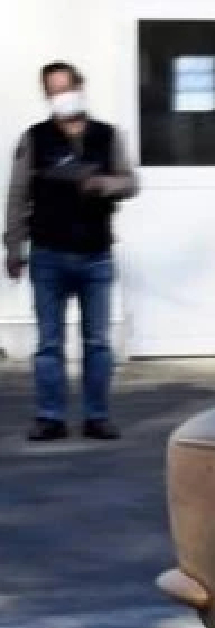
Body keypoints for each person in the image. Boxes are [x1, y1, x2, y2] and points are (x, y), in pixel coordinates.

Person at [5, 61, 139, 442]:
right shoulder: (34, 139)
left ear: (81, 87)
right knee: (49, 344)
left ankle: (97, 416)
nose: (63, 96)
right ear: (47, 95)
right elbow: (17, 195)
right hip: (48, 253)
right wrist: (13, 247)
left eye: (68, 87)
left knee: (97, 342)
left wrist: (103, 184)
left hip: (96, 254)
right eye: (55, 90)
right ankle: (50, 417)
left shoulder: (107, 136)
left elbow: (131, 182)